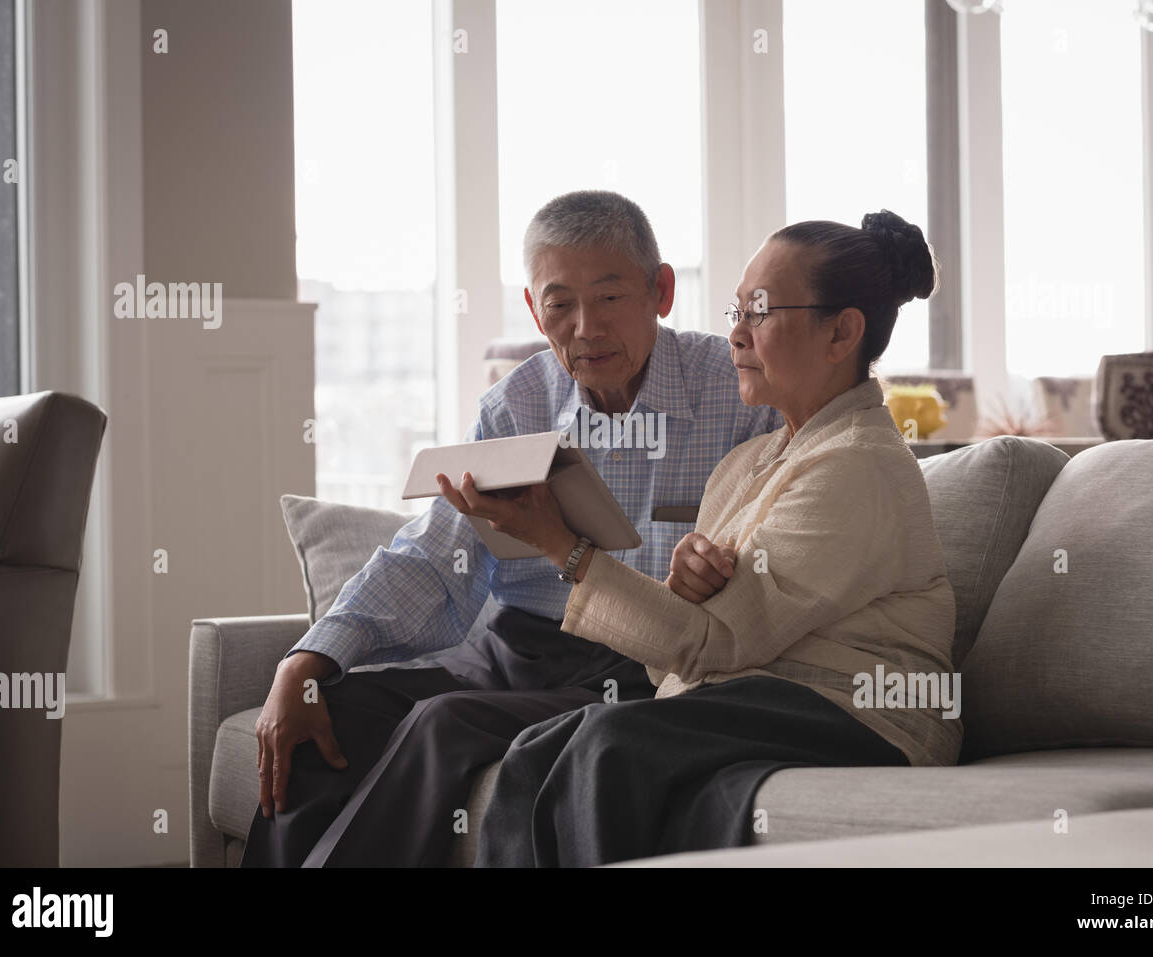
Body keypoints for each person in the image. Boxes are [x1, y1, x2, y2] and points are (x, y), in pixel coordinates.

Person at [239, 190, 782, 867]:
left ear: (660, 291)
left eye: (610, 298)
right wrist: (306, 662)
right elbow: (432, 559)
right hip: (511, 649)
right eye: (560, 305)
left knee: (444, 723)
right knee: (333, 710)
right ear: (533, 309)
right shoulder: (516, 403)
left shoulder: (738, 396)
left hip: (633, 667)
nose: (585, 327)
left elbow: (774, 548)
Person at [440, 210, 963, 867]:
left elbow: (711, 646)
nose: (737, 336)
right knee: (542, 745)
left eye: (761, 312)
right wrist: (682, 589)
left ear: (842, 332)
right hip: (750, 694)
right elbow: (674, 660)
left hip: (859, 713)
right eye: (735, 311)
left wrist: (562, 546)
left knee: (608, 746)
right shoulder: (746, 464)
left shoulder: (860, 464)